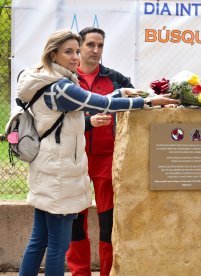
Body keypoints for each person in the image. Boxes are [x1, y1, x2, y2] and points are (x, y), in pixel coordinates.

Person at [17, 29, 179, 276]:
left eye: (75, 50)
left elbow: (78, 111)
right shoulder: (61, 87)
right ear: (53, 54)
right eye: (69, 51)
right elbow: (102, 103)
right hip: (60, 174)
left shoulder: (45, 78)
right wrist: (146, 102)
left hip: (49, 168)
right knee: (58, 246)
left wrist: (120, 93)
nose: (75, 56)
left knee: (39, 239)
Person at [65, 26, 131, 276]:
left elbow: (136, 104)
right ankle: (79, 272)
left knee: (108, 220)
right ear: (79, 47)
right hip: (75, 156)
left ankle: (107, 272)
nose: (95, 50)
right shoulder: (66, 79)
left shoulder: (117, 80)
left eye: (100, 45)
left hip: (108, 157)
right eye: (90, 45)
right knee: (75, 221)